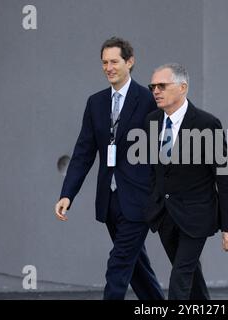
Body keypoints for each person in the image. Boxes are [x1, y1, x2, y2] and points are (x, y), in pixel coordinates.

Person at [54, 37, 164, 300]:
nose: (108, 67)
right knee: (137, 269)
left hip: (139, 200)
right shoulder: (96, 103)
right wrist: (67, 194)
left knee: (117, 266)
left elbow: (162, 151)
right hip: (110, 201)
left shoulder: (148, 100)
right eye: (104, 62)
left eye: (114, 61)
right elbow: (83, 153)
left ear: (130, 62)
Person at [144, 63, 228, 300]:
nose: (155, 90)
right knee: (190, 273)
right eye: (153, 86)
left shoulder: (207, 124)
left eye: (162, 85)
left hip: (197, 215)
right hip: (165, 216)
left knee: (180, 276)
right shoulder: (152, 121)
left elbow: (225, 176)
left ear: (182, 87)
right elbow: (154, 171)